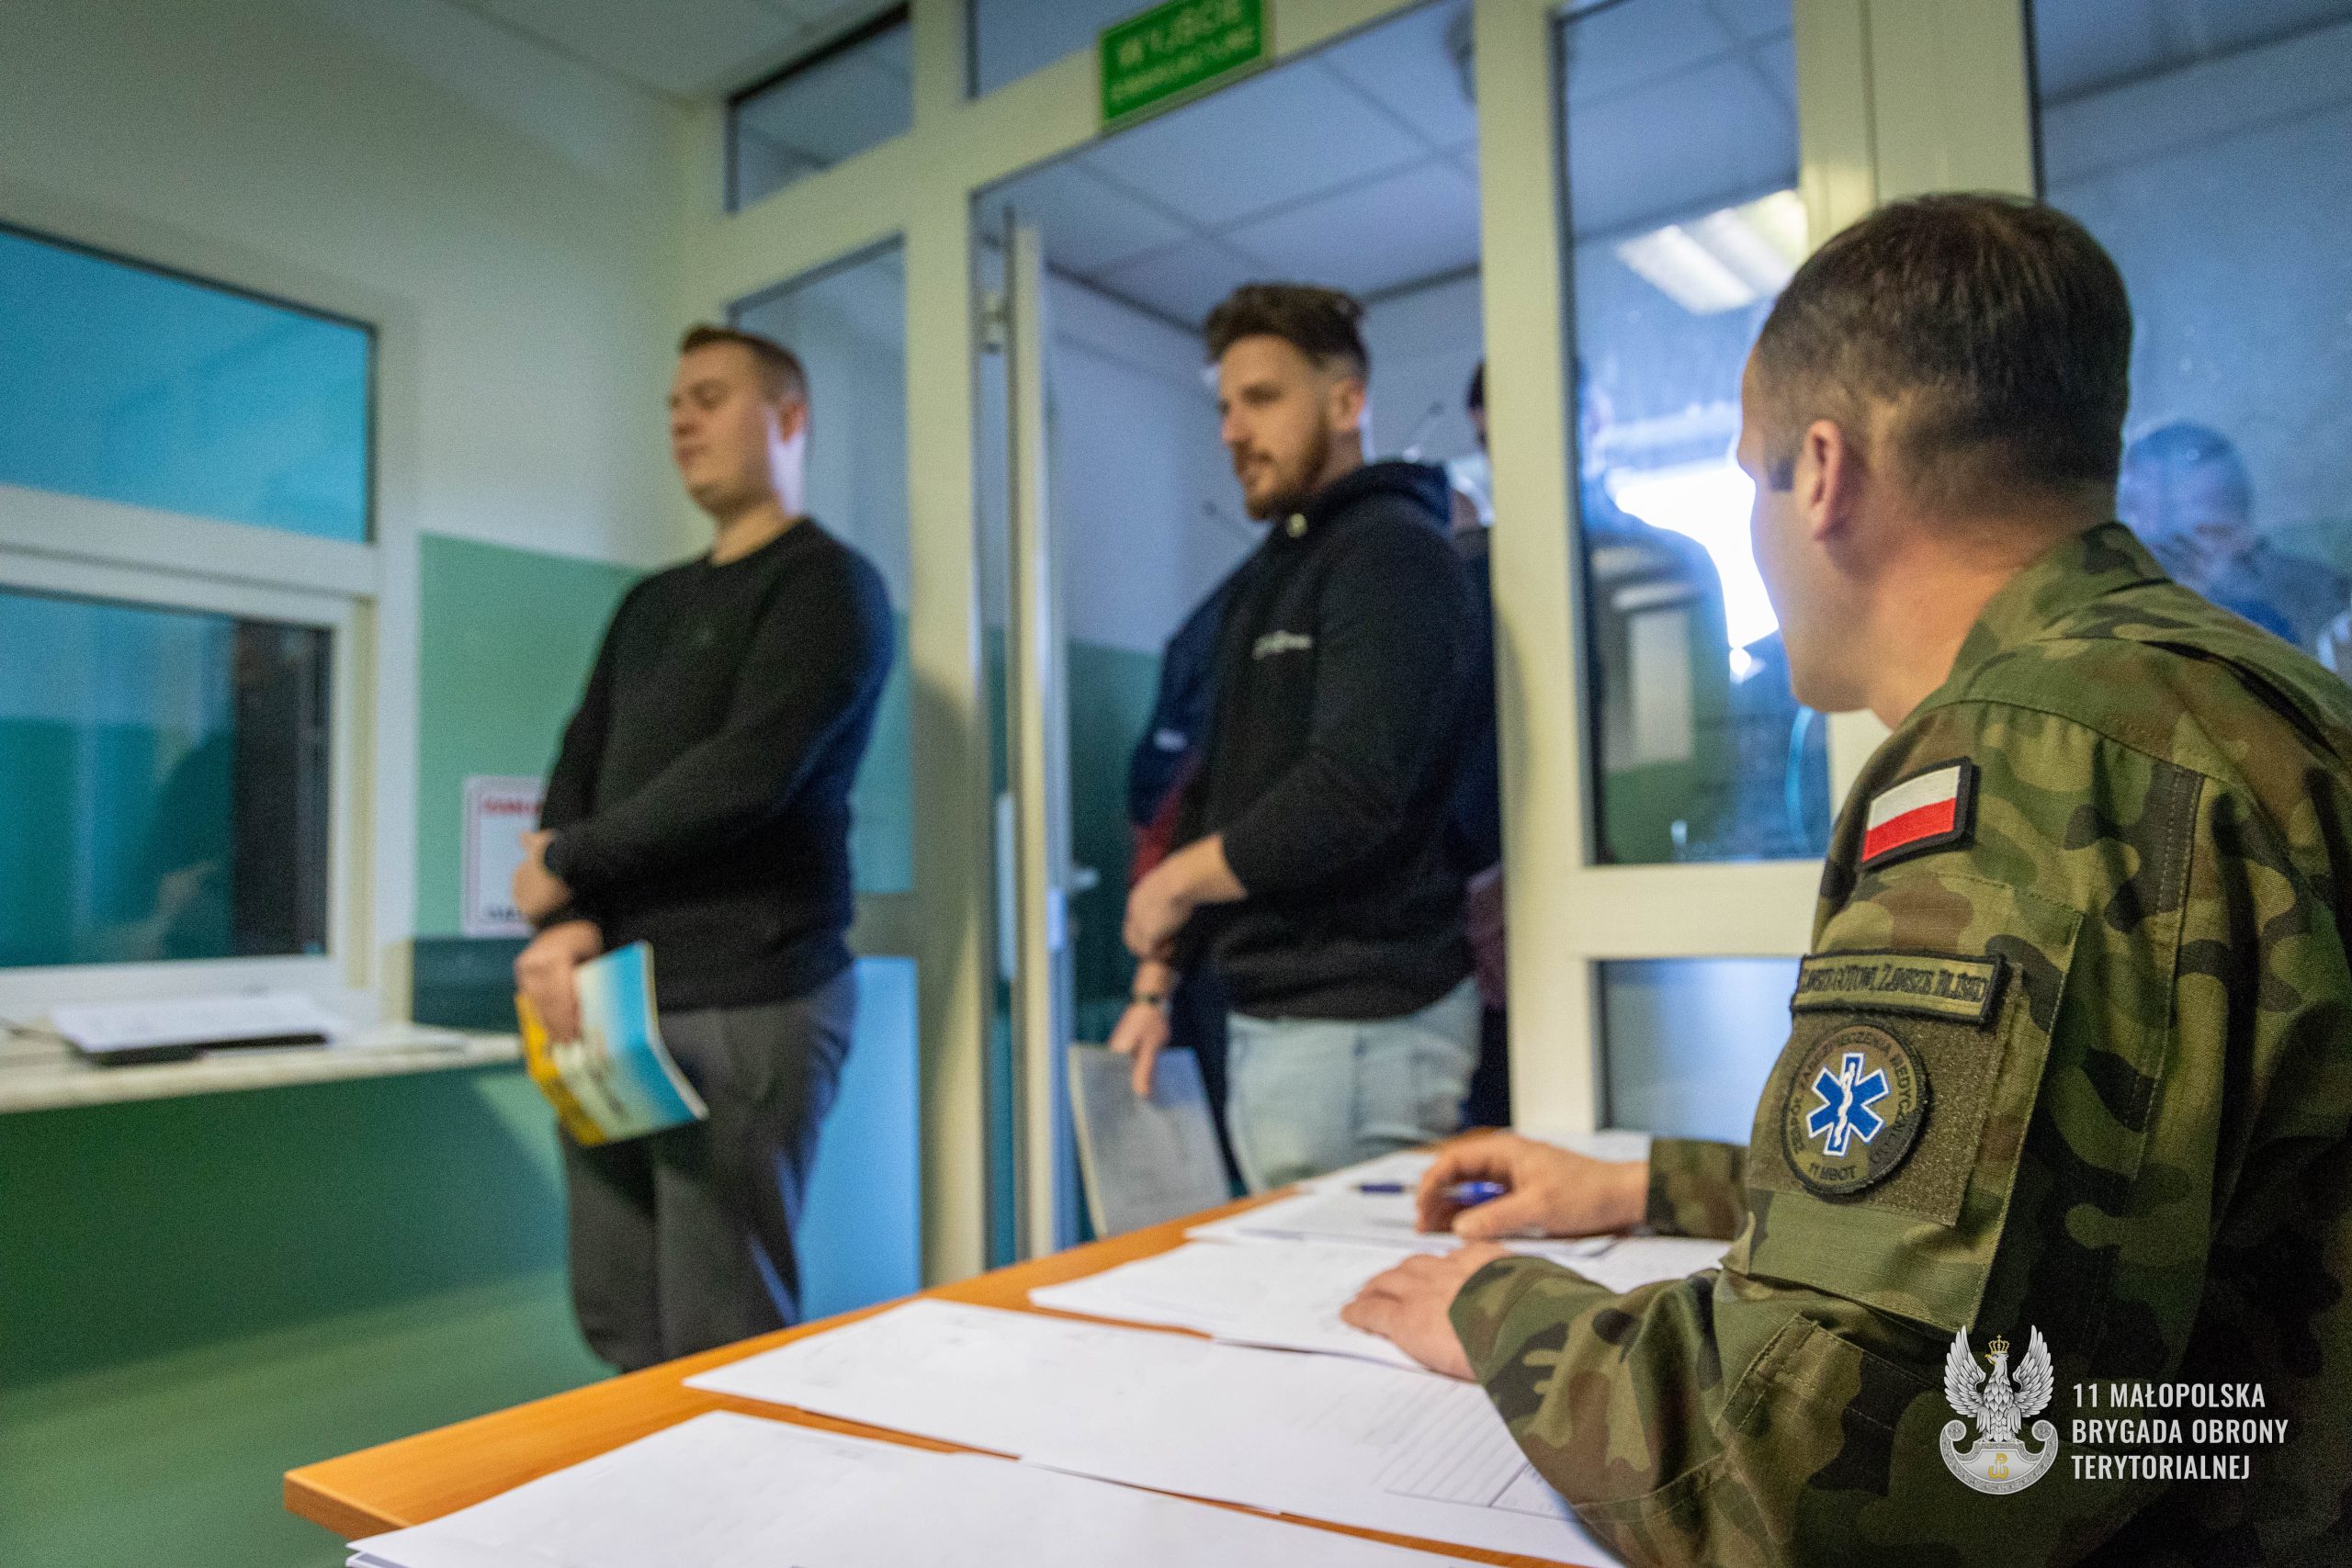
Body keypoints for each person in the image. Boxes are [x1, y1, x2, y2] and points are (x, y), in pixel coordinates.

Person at [1343, 195, 2352, 1564]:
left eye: (1750, 476)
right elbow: (2066, 1191)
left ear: (1823, 474)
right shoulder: (2244, 698)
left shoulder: (2029, 764)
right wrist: (1644, 1187)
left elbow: (1801, 1470)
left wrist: (1499, 1308)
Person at [508, 323, 894, 1372]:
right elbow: (579, 760)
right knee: (618, 1318)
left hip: (749, 996)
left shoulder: (827, 587)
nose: (683, 420)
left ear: (790, 418)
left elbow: (747, 777)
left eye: (712, 398)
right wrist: (566, 921)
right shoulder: (649, 604)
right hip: (608, 1002)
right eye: (675, 403)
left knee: (721, 1336)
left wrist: (567, 865)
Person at [1109, 282, 1480, 1192]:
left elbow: (1352, 789)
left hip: (1361, 1032)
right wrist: (1157, 983)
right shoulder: (1271, 576)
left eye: (1263, 399)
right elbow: (1223, 790)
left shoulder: (1393, 555)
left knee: (1351, 1288)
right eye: (1225, 407)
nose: (1233, 431)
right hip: (1276, 1025)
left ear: (1346, 404)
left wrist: (1174, 880)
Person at [2117, 420, 2346, 656]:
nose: (2148, 533)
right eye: (2133, 507)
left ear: (2239, 529)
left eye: (2205, 528)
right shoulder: (2118, 608)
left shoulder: (2315, 597)